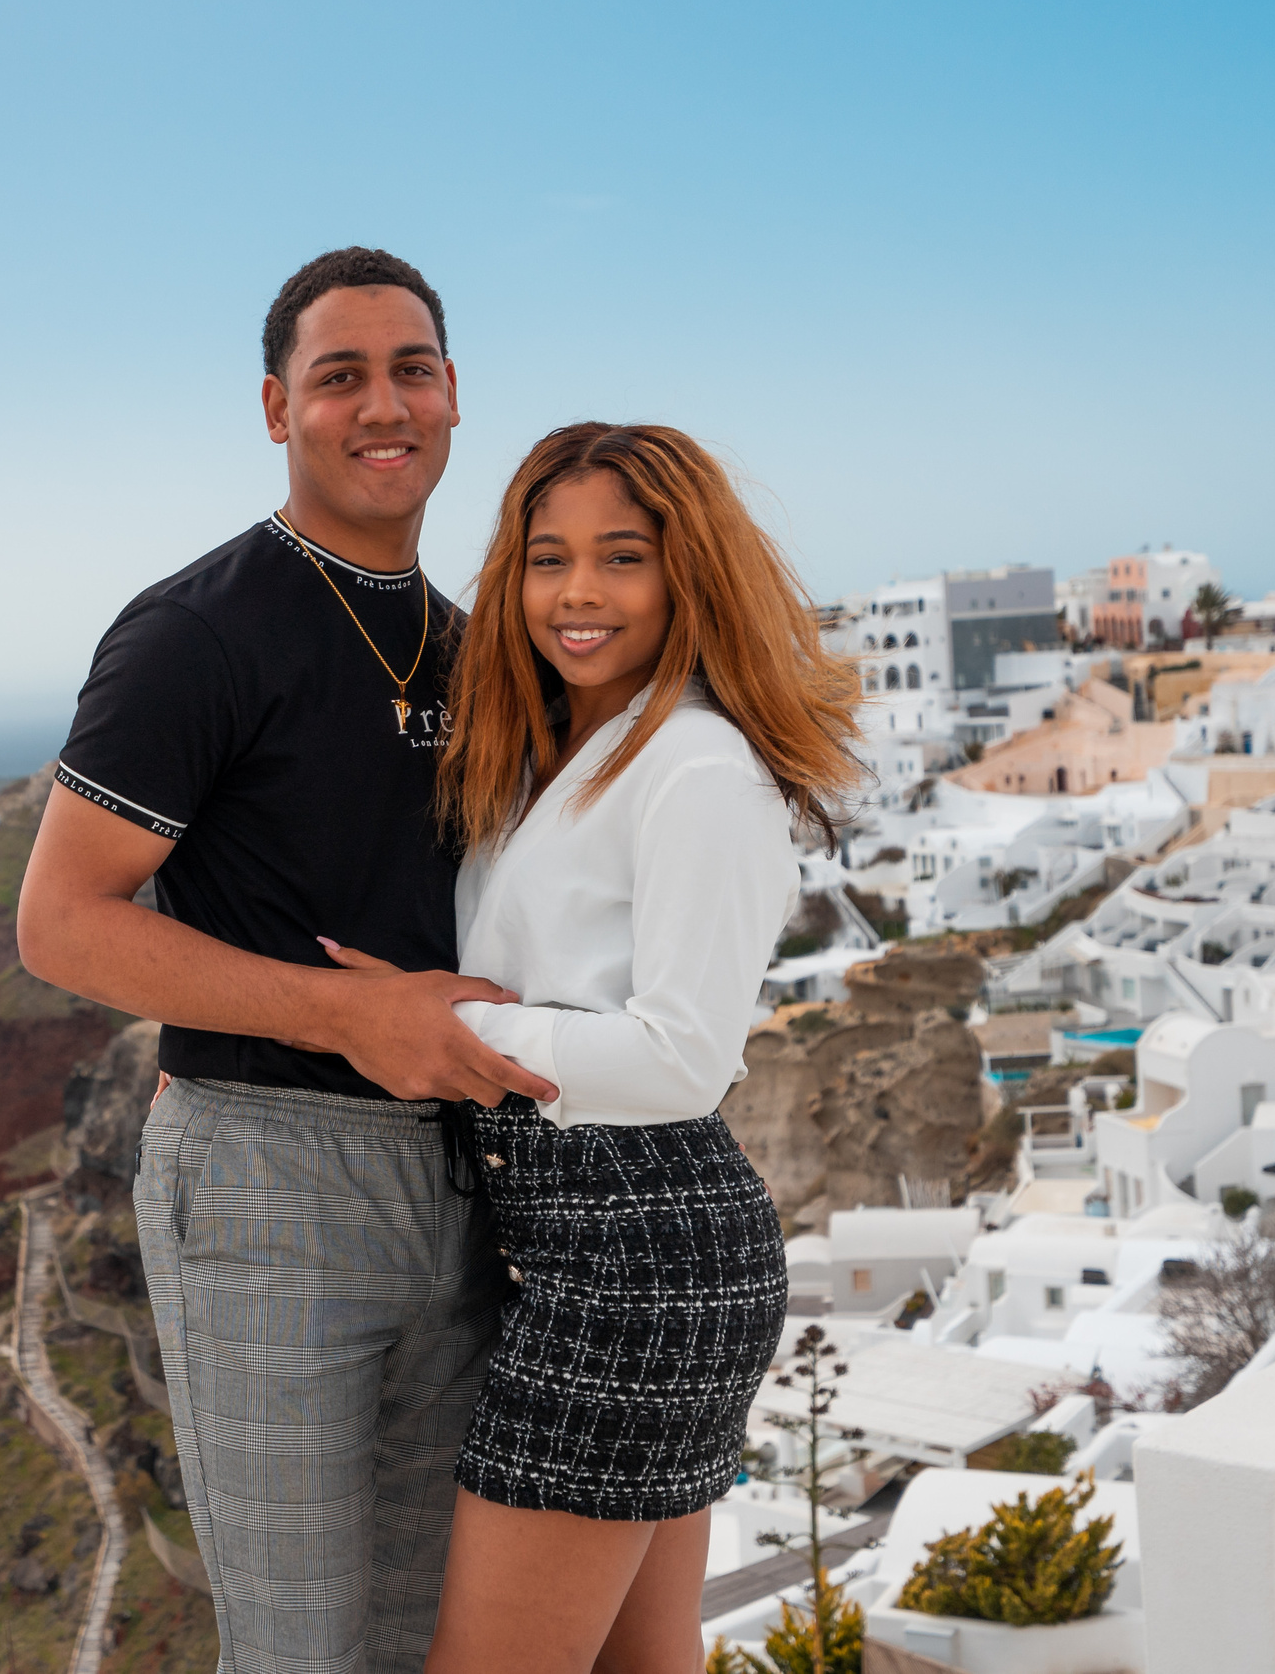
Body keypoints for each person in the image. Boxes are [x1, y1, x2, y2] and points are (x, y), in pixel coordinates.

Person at [16, 247, 553, 1674]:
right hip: (265, 1176)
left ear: (453, 397)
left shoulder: (470, 645)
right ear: (278, 408)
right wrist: (345, 1016)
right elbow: (60, 920)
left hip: (463, 1174)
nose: (383, 404)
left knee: (425, 1635)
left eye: (411, 369)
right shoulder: (198, 629)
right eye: (340, 375)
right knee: (303, 1647)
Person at [323, 423, 862, 1673]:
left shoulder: (696, 769)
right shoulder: (557, 762)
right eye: (546, 558)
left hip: (640, 1269)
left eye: (622, 557)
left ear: (687, 575)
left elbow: (683, 1057)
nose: (577, 594)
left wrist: (435, 1025)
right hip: (592, 1253)